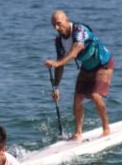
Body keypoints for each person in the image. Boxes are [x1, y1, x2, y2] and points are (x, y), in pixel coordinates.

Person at [44, 10, 114, 139]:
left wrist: (57, 63)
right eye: (54, 25)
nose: (56, 28)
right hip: (87, 66)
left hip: (103, 63)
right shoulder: (59, 41)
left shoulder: (79, 31)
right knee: (77, 98)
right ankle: (78, 133)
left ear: (66, 20)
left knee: (94, 94)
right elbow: (60, 63)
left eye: (59, 24)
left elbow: (74, 52)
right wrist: (56, 87)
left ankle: (106, 128)